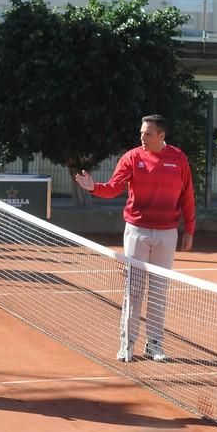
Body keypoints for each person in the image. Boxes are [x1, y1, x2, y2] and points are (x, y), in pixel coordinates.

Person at [75, 114, 195, 362]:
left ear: (161, 136)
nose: (142, 137)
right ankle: (126, 344)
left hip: (167, 233)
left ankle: (155, 345)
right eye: (141, 132)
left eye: (148, 133)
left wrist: (190, 229)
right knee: (134, 289)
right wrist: (93, 187)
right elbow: (113, 187)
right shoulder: (132, 157)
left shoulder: (178, 158)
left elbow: (188, 197)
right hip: (137, 231)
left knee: (159, 291)